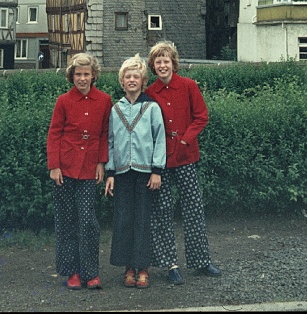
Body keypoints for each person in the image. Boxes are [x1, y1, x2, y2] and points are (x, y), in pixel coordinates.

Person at [146, 40, 221, 285]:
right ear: (153, 66)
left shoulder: (188, 86)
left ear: (173, 63)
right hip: (161, 161)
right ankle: (170, 264)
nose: (162, 65)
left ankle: (200, 261)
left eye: (166, 61)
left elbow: (201, 116)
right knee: (162, 210)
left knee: (193, 208)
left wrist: (186, 141)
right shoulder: (150, 93)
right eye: (158, 62)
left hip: (186, 157)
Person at [47, 53, 112, 290]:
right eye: (78, 74)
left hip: (89, 168)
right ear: (71, 76)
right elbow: (54, 134)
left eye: (86, 74)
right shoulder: (63, 101)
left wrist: (101, 162)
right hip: (64, 168)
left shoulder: (105, 100)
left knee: (87, 221)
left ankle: (91, 272)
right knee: (66, 220)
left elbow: (105, 133)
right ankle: (71, 271)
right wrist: (54, 166)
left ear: (94, 75)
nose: (82, 79)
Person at [105, 55, 166, 289]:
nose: (132, 80)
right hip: (122, 173)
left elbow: (159, 139)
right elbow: (110, 141)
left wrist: (157, 170)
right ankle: (128, 267)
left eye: (136, 76)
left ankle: (143, 267)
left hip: (145, 173)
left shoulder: (151, 107)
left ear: (143, 81)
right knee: (124, 220)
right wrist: (110, 172)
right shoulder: (115, 109)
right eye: (127, 76)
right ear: (122, 81)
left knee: (142, 220)